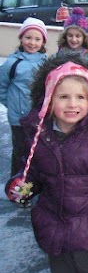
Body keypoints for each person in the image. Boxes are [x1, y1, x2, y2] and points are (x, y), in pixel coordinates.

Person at [5, 54, 88, 273]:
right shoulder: (40, 136)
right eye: (63, 96)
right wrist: (20, 186)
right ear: (48, 100)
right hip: (54, 231)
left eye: (80, 97)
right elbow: (32, 173)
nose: (72, 104)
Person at [0, 17, 48, 181]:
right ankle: (17, 184)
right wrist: (13, 105)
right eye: (28, 38)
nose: (32, 43)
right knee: (20, 151)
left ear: (43, 42)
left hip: (39, 117)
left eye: (37, 39)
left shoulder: (46, 63)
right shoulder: (12, 63)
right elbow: (2, 87)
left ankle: (35, 183)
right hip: (18, 118)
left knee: (39, 151)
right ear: (21, 39)